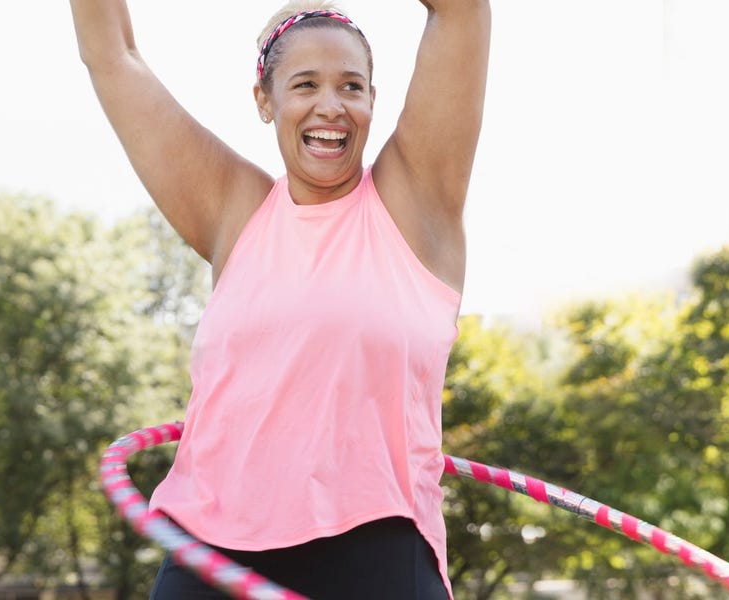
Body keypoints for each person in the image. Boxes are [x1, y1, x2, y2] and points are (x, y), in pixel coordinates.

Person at [70, 0, 489, 597]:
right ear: (265, 101)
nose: (331, 106)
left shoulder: (416, 204)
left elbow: (461, 12)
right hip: (210, 548)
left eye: (352, 86)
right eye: (305, 84)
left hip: (376, 545)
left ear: (373, 100)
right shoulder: (234, 211)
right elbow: (113, 56)